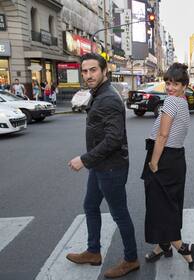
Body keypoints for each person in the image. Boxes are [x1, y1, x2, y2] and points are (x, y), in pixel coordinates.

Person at [66, 53, 139, 279]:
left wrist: (84, 159)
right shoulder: (98, 94)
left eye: (93, 70)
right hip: (100, 165)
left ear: (104, 71)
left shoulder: (107, 98)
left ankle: (131, 259)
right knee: (90, 206)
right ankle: (93, 251)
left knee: (119, 214)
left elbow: (113, 139)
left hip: (111, 167)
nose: (88, 75)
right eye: (85, 71)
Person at [141, 63, 194, 271]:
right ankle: (162, 245)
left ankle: (184, 249)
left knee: (160, 207)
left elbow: (163, 135)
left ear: (185, 85)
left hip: (163, 158)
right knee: (169, 205)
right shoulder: (183, 102)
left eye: (175, 83)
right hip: (176, 160)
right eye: (167, 83)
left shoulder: (172, 103)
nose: (170, 87)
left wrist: (154, 161)